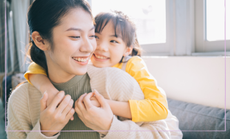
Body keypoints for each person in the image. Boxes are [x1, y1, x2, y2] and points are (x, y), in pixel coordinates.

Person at [7, 0, 182, 139]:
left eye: (91, 35)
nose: (90, 47)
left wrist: (110, 127)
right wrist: (44, 132)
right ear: (40, 40)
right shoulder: (21, 100)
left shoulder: (116, 80)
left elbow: (163, 131)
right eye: (75, 36)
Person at [25, 11, 168, 123]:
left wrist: (103, 104)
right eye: (95, 36)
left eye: (113, 40)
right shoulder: (84, 60)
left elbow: (160, 108)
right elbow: (37, 66)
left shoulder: (131, 64)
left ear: (127, 50)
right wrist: (48, 89)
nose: (101, 47)